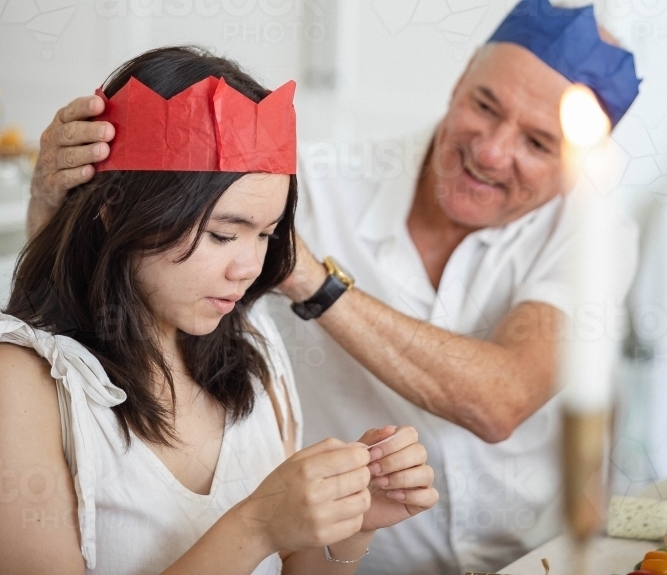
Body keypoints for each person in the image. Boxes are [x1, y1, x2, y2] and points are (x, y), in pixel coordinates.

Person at [25, 0, 642, 575]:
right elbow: (95, 282)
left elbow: (499, 398)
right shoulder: (312, 185)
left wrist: (312, 280)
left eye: (538, 142)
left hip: (532, 555)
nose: (492, 150)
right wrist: (55, 198)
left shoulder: (591, 235)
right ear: (457, 83)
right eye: (484, 105)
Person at [0, 47, 437, 575]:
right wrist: (256, 526)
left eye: (267, 235)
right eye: (223, 234)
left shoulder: (252, 348)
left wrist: (353, 522)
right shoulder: (24, 386)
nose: (249, 267)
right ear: (115, 211)